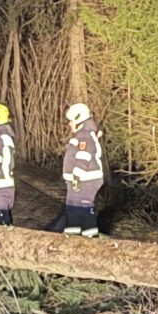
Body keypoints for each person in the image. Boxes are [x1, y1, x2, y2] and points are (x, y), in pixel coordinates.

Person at [62, 101, 104, 236]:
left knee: (84, 204)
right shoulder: (82, 134)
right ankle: (72, 231)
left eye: (71, 121)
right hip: (79, 179)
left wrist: (76, 175)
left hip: (86, 179)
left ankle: (90, 233)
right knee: (72, 204)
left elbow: (84, 156)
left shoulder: (84, 135)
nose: (69, 124)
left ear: (78, 120)